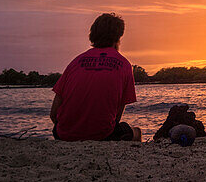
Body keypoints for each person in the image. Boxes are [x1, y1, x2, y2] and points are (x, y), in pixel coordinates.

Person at [50, 12, 141, 141]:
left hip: (63, 134)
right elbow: (116, 118)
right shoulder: (124, 65)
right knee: (136, 132)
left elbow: (54, 113)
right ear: (118, 37)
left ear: (93, 34)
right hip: (102, 135)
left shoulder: (75, 62)